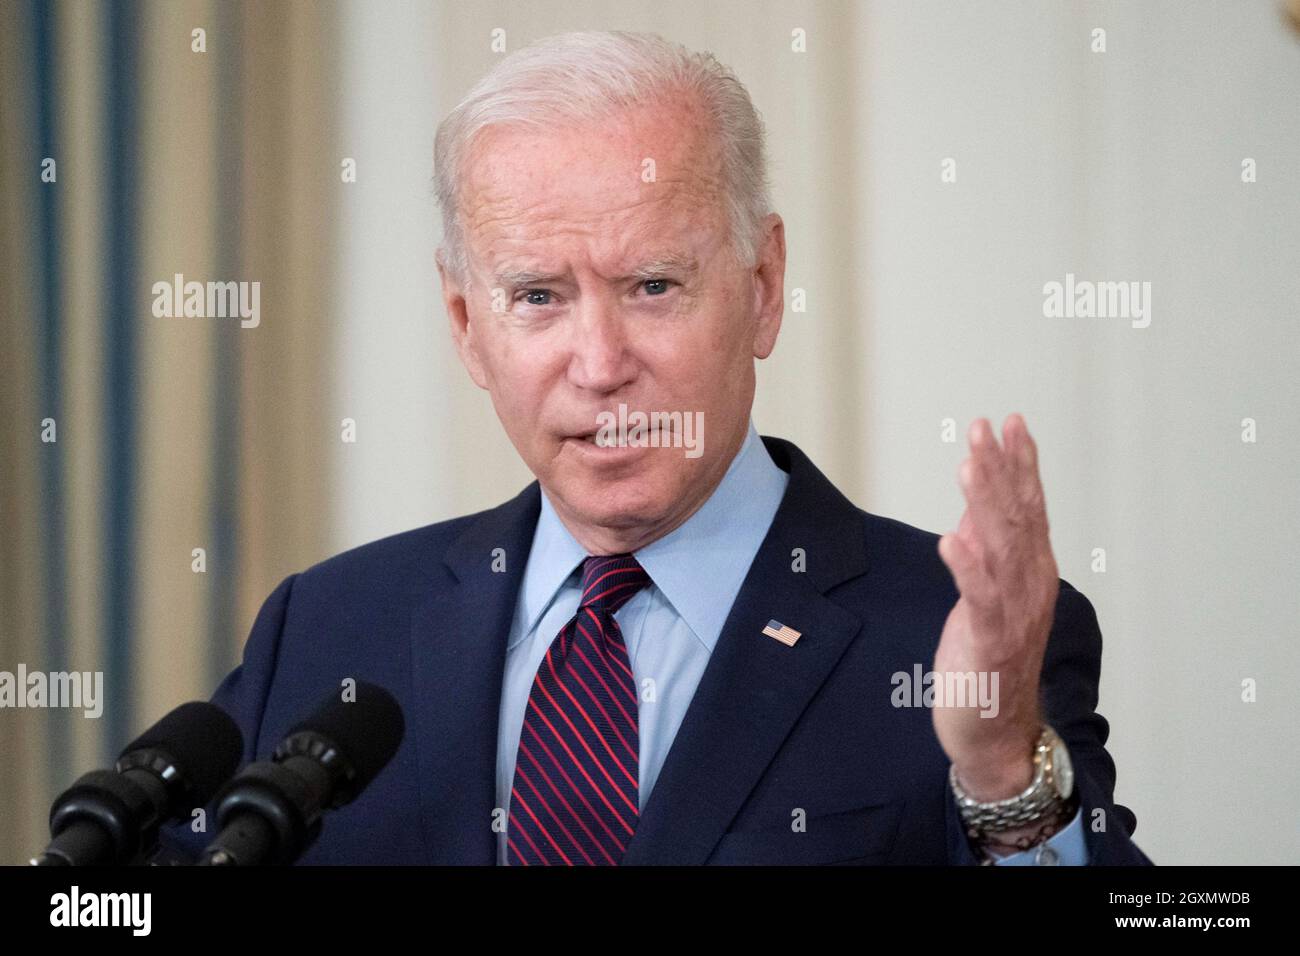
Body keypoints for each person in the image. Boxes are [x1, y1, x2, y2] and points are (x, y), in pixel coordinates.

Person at [157, 29, 1151, 866]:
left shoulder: (952, 638)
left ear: (762, 287)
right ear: (466, 323)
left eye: (653, 287)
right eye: (537, 297)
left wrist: (1001, 778)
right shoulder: (332, 626)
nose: (600, 363)